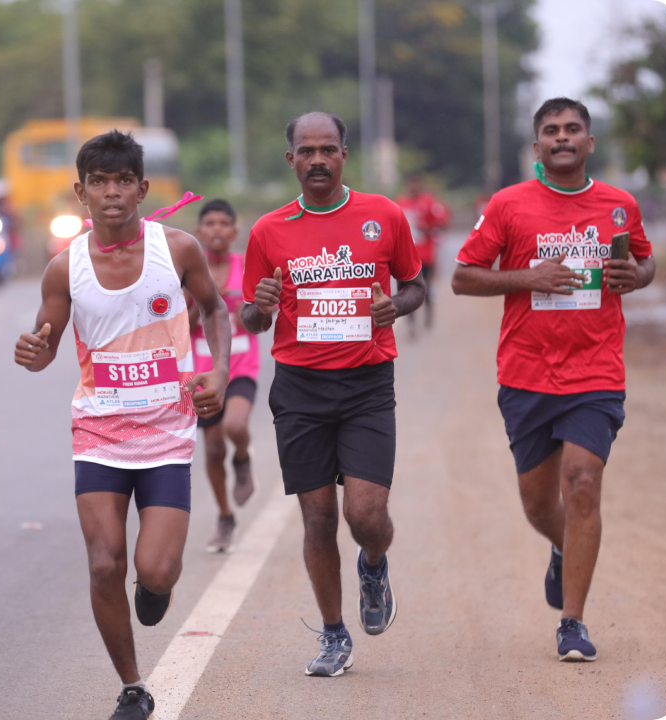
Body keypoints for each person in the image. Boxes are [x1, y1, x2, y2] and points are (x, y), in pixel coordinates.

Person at [14, 130, 231, 720]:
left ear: (143, 188)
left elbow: (214, 309)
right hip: (99, 434)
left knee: (154, 570)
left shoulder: (178, 249)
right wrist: (34, 352)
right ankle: (133, 687)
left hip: (166, 435)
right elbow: (47, 343)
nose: (112, 193)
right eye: (99, 182)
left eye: (122, 181)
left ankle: (155, 587)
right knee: (105, 561)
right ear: (80, 192)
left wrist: (219, 372)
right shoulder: (65, 268)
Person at [452, 98, 656, 662]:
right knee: (540, 504)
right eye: (551, 131)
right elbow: (463, 278)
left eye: (572, 129)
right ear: (537, 145)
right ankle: (563, 549)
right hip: (526, 374)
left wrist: (633, 276)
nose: (562, 138)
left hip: (596, 370)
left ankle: (572, 622)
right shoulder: (508, 205)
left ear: (589, 142)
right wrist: (529, 275)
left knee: (583, 482)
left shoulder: (619, 205)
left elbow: (645, 262)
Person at [241, 112, 426, 677]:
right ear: (291, 159)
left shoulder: (383, 215)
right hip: (299, 387)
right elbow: (250, 316)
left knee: (365, 513)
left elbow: (415, 284)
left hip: (367, 383)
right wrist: (262, 306)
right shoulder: (268, 232)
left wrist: (396, 305)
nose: (317, 160)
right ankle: (333, 634)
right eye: (306, 151)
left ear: (345, 154)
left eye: (328, 149)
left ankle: (374, 564)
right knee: (318, 518)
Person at [187, 199, 259, 553]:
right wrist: (200, 303)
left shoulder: (246, 269)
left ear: (234, 231)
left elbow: (259, 320)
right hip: (202, 372)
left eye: (223, 223)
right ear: (199, 232)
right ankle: (225, 515)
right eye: (209, 223)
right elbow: (178, 325)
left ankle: (243, 457)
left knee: (235, 427)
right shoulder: (188, 273)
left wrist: (243, 305)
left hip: (241, 366)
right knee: (213, 449)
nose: (216, 229)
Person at [395, 174, 450, 330]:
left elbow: (442, 223)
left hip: (425, 254)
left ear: (420, 185)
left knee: (424, 288)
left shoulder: (428, 202)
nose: (413, 187)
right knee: (406, 289)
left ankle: (428, 315)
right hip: (405, 254)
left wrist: (425, 228)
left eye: (415, 184)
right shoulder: (400, 203)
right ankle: (411, 322)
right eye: (410, 184)